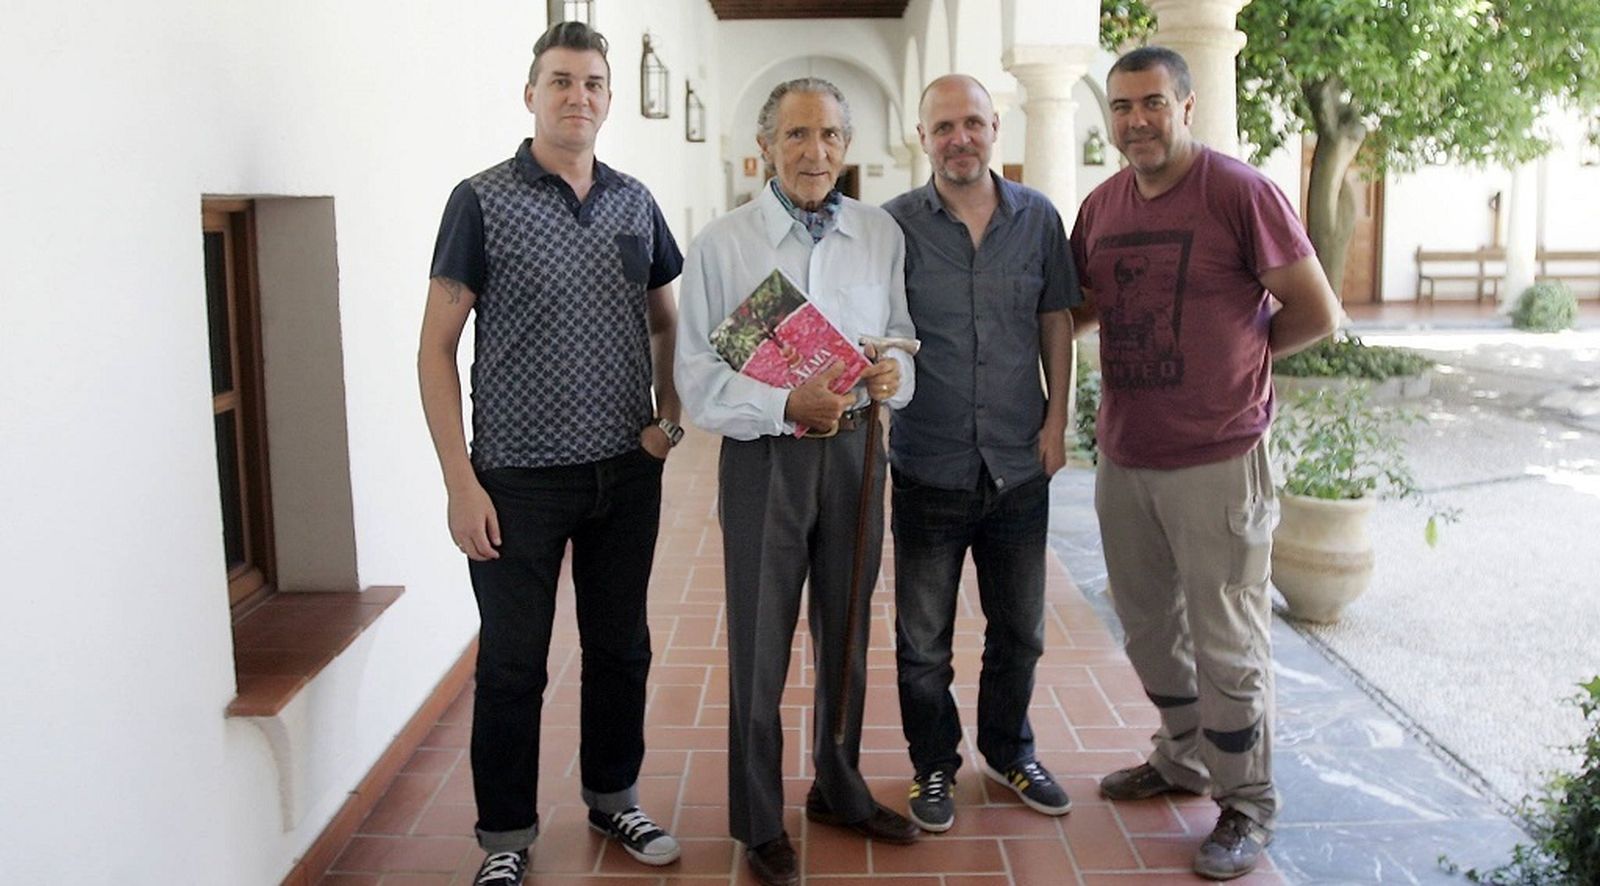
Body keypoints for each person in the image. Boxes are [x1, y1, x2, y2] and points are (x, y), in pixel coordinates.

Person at [417, 21, 686, 886]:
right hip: (515, 481)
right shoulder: (482, 199)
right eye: (562, 81)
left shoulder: (635, 201)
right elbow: (435, 350)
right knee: (510, 665)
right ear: (530, 94)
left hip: (623, 472)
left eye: (594, 83)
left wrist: (668, 420)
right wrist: (461, 483)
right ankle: (505, 838)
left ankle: (614, 796)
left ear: (610, 98)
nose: (580, 97)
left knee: (621, 649)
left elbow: (666, 321)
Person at [1069, 47, 1340, 881]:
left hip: (1220, 457)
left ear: (1186, 106)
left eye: (1152, 103)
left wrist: (1241, 370)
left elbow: (1316, 313)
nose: (1136, 121)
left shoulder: (1239, 191)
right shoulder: (1102, 204)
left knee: (1228, 642)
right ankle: (1183, 757)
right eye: (1121, 106)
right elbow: (1079, 310)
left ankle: (1246, 801)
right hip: (1126, 453)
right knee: (1149, 628)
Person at [674, 77, 921, 886]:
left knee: (846, 633)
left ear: (847, 149)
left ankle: (838, 787)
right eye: (797, 136)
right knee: (760, 639)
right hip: (766, 459)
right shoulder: (723, 243)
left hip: (856, 455)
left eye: (829, 138)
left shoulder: (880, 233)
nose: (815, 152)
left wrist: (890, 376)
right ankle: (756, 818)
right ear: (766, 147)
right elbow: (697, 379)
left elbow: (902, 343)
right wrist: (786, 400)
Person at [881, 74, 1080, 833]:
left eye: (972, 123)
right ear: (922, 136)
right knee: (922, 641)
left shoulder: (1037, 218)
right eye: (943, 127)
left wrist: (1058, 420)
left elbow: (1055, 320)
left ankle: (1010, 750)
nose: (958, 138)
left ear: (996, 127)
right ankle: (933, 765)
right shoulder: (894, 225)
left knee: (1020, 629)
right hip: (929, 460)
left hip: (1018, 461)